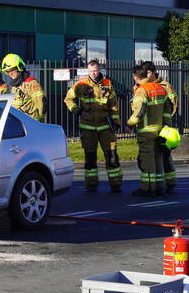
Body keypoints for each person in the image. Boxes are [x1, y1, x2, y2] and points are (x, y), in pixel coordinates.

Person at [64, 60, 122, 193]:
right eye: (90, 71)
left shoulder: (108, 84)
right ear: (87, 71)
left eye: (95, 70)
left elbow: (114, 104)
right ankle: (91, 185)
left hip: (105, 126)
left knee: (112, 156)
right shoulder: (81, 84)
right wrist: (77, 111)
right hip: (88, 127)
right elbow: (68, 99)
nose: (93, 73)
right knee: (90, 157)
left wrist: (116, 121)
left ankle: (116, 184)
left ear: (99, 69)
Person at [126, 64, 172, 197]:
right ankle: (160, 186)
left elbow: (139, 111)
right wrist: (166, 126)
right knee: (158, 159)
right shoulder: (160, 88)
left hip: (146, 132)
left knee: (147, 161)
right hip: (160, 130)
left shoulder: (141, 90)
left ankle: (147, 188)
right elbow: (168, 109)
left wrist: (129, 124)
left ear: (136, 77)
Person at [146, 62, 179, 192]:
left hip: (163, 126)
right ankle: (157, 183)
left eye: (148, 73)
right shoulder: (143, 86)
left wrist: (166, 124)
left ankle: (170, 182)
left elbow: (173, 105)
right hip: (150, 126)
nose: (146, 75)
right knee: (152, 156)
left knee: (164, 155)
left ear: (154, 72)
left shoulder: (165, 86)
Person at [1, 53, 45, 122]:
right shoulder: (15, 85)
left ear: (20, 68)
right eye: (8, 71)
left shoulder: (31, 83)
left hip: (30, 122)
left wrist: (39, 122)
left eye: (12, 70)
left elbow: (40, 103)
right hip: (18, 122)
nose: (10, 73)